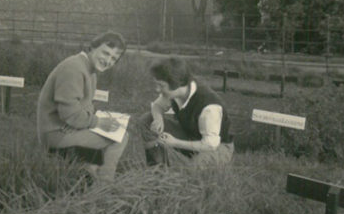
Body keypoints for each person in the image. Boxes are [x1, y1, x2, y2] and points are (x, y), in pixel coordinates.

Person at [37, 31, 128, 183]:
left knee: (116, 131)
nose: (107, 60)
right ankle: (106, 183)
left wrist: (87, 122)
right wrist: (97, 122)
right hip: (55, 134)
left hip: (65, 128)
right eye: (105, 53)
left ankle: (92, 171)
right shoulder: (74, 68)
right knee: (120, 138)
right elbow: (70, 114)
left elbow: (84, 106)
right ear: (92, 47)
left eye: (113, 59)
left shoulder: (90, 70)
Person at [139, 57, 233, 167]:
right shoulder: (176, 92)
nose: (157, 89)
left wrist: (175, 142)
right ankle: (157, 169)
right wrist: (158, 120)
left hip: (217, 147)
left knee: (194, 167)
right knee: (147, 120)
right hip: (190, 135)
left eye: (161, 85)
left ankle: (192, 169)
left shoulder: (209, 106)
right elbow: (157, 106)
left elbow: (210, 144)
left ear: (176, 84)